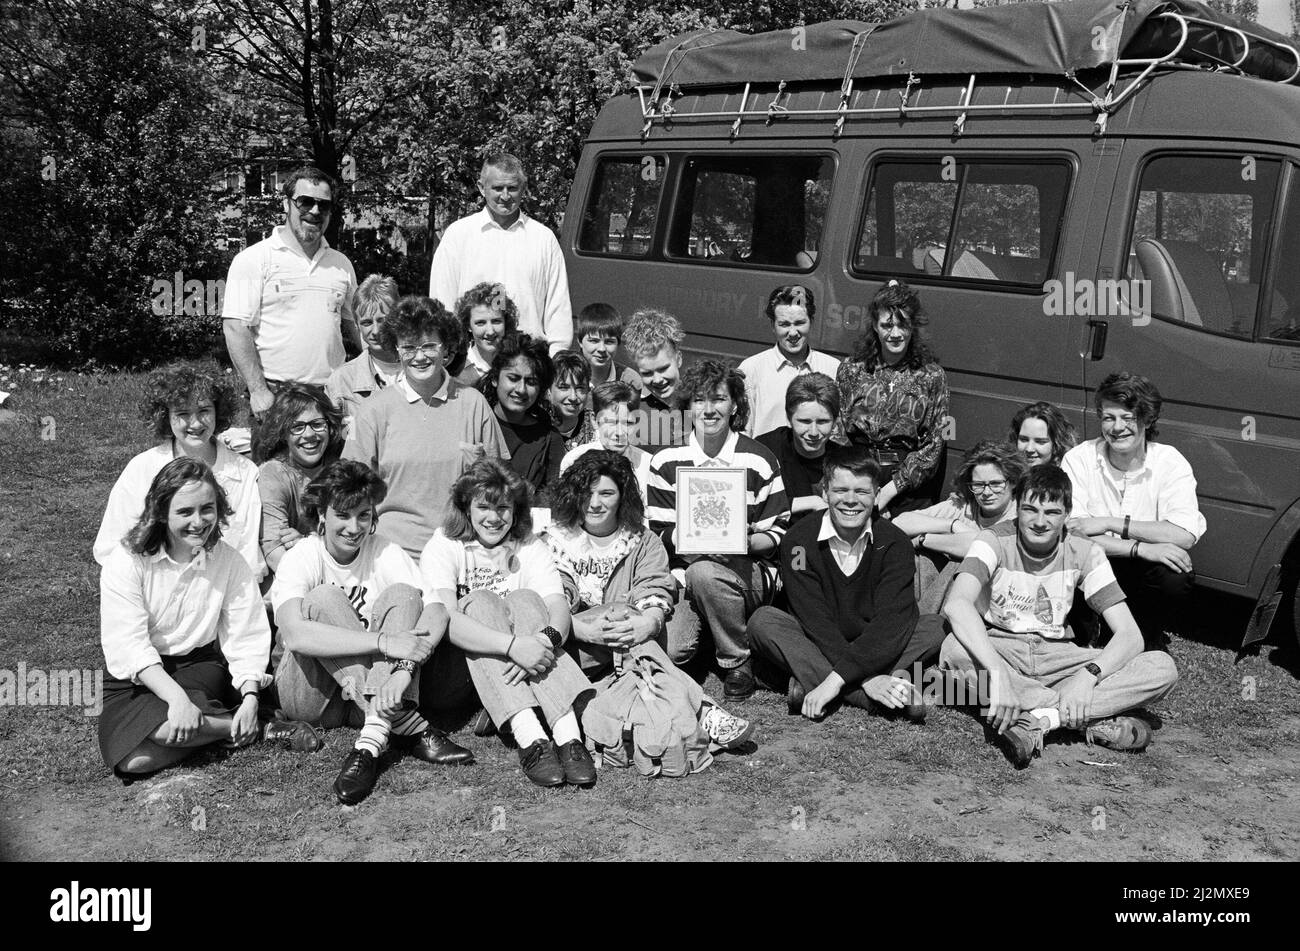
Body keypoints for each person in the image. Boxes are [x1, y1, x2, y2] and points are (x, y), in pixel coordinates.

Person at [940, 465, 1180, 768]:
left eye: (1051, 512)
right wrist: (998, 673)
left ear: (1067, 514)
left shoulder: (1084, 550)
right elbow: (957, 604)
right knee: (953, 649)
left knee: (1160, 666)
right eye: (1030, 509)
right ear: (1016, 507)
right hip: (1002, 648)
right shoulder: (992, 540)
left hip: (1058, 655)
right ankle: (1078, 716)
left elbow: (1130, 635)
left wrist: (1086, 676)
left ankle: (1040, 718)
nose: (1039, 522)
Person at [98, 458, 317, 779]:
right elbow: (128, 645)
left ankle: (213, 723)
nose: (198, 522)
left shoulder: (228, 561)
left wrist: (251, 695)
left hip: (199, 668)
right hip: (137, 677)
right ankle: (246, 729)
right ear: (161, 512)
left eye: (207, 509)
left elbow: (246, 633)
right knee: (134, 762)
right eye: (185, 512)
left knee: (163, 734)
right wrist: (176, 700)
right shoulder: (128, 561)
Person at [271, 461, 473, 805]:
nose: (354, 527)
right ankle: (407, 722)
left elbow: (437, 611)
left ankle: (371, 739)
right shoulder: (304, 555)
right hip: (312, 697)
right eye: (343, 516)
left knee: (405, 595)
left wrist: (405, 668)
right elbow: (295, 636)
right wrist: (383, 641)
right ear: (322, 515)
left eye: (364, 515)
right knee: (323, 598)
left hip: (361, 697)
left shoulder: (383, 550)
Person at [542, 451, 756, 755]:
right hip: (574, 639)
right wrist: (583, 629)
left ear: (622, 496)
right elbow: (552, 598)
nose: (594, 503)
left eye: (606, 493)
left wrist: (648, 621)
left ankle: (663, 703)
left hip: (629, 637)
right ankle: (703, 711)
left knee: (630, 618)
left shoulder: (642, 540)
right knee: (622, 612)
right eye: (586, 492)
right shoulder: (553, 540)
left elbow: (652, 585)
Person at [420, 461, 597, 788]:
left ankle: (568, 737)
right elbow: (444, 620)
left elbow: (557, 606)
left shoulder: (530, 545)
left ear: (516, 511)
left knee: (528, 599)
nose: (493, 517)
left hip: (524, 661)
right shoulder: (444, 544)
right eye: (483, 506)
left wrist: (544, 641)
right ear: (466, 508)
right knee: (480, 601)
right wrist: (514, 647)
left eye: (503, 507)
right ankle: (530, 737)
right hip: (457, 670)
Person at [747, 447, 945, 722]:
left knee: (935, 627)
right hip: (817, 639)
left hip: (876, 641)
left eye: (862, 492)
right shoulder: (798, 542)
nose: (850, 500)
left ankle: (813, 683)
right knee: (763, 621)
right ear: (825, 492)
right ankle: (872, 696)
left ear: (876, 494)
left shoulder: (895, 543)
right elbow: (813, 619)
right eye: (841, 490)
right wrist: (867, 679)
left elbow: (892, 621)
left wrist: (835, 679)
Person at [647, 360, 790, 700]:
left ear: (735, 405)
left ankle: (736, 661)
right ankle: (712, 628)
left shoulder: (759, 459)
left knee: (705, 573)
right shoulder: (666, 461)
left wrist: (743, 540)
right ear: (688, 406)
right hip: (687, 573)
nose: (708, 409)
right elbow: (659, 535)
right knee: (673, 651)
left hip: (747, 571)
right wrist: (688, 538)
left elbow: (779, 534)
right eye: (699, 399)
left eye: (719, 399)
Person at [343, 295, 509, 558]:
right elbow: (349, 488)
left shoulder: (473, 404)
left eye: (429, 346)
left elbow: (498, 487)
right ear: (396, 349)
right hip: (392, 555)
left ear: (446, 349)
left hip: (462, 553)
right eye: (408, 347)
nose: (419, 357)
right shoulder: (373, 410)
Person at [1061, 372, 1205, 644]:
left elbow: (1184, 533)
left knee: (1175, 575)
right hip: (1091, 560)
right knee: (1070, 556)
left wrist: (1111, 522)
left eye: (1128, 418)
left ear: (1148, 419)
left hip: (1140, 569)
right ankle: (1084, 632)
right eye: (1108, 418)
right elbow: (1074, 535)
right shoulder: (1079, 458)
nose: (1117, 428)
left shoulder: (1170, 461)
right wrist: (1141, 547)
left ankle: (1144, 635)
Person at [95, 363, 263, 579]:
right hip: (154, 588)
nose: (195, 423)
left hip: (222, 589)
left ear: (217, 411)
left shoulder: (245, 472)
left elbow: (248, 554)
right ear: (166, 416)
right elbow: (112, 548)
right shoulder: (142, 469)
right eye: (183, 413)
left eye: (204, 410)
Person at [222, 166, 361, 415]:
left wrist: (385, 372)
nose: (315, 211)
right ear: (287, 204)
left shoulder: (342, 264)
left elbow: (359, 325)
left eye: (324, 205)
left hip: (333, 396)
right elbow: (235, 327)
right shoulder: (254, 259)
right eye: (305, 202)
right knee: (275, 457)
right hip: (277, 397)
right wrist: (258, 390)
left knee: (337, 456)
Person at [429, 153, 572, 354]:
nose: (505, 196)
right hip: (471, 362)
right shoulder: (458, 235)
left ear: (524, 188)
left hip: (528, 361)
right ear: (481, 187)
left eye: (512, 188)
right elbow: (442, 303)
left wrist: (556, 356)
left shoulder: (543, 239)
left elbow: (558, 307)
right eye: (497, 188)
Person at [835, 280, 950, 514]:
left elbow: (936, 441)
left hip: (908, 487)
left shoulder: (932, 376)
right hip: (858, 474)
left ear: (913, 327)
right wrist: (861, 480)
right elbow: (838, 429)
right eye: (887, 325)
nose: (895, 333)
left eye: (903, 324)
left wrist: (889, 490)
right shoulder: (851, 369)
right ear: (875, 327)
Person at [894, 441, 1028, 613]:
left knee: (961, 565)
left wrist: (924, 539)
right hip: (945, 599)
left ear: (1013, 482)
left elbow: (982, 546)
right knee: (916, 558)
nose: (986, 492)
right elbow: (900, 523)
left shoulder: (1020, 515)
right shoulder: (964, 506)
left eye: (995, 484)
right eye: (978, 485)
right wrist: (952, 524)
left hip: (995, 604)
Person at [252, 383, 344, 574]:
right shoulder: (273, 474)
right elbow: (275, 552)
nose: (309, 435)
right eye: (297, 427)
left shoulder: (340, 466)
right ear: (283, 433)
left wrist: (306, 543)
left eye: (317, 424)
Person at [738, 285, 841, 439]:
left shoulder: (833, 369)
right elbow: (742, 432)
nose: (793, 333)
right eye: (784, 324)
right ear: (772, 325)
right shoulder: (751, 370)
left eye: (799, 323)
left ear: (811, 321)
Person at [478, 333, 566, 503]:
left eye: (531, 382)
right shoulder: (477, 423)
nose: (521, 389)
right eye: (513, 378)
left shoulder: (549, 438)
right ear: (495, 378)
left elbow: (550, 502)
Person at [756, 372, 840, 525]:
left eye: (822, 422)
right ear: (788, 419)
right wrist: (812, 502)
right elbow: (749, 503)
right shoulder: (765, 450)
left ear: (835, 422)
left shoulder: (843, 459)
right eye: (804, 421)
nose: (813, 432)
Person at [560, 381, 653, 511]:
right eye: (611, 422)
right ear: (594, 420)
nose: (620, 432)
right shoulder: (574, 460)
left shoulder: (648, 465)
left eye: (629, 423)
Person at [326, 274, 404, 426]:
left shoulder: (422, 371)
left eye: (383, 320)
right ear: (357, 325)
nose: (376, 330)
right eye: (367, 322)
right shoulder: (342, 382)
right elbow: (339, 442)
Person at [621, 308, 689, 453]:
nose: (657, 379)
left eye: (663, 368)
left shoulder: (701, 403)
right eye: (647, 373)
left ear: (679, 359)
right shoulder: (631, 410)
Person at [447, 282, 519, 386]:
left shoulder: (517, 362)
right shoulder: (455, 368)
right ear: (468, 326)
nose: (490, 331)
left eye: (496, 321)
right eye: (480, 323)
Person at [573, 302, 641, 391]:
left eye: (609, 342)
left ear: (618, 343)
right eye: (594, 341)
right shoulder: (565, 376)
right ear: (580, 341)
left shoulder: (630, 381)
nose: (602, 349)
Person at [545, 350, 596, 451]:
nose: (573, 397)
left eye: (580, 388)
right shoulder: (537, 427)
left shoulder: (596, 425)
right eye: (563, 387)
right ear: (548, 389)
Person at [1009, 400, 1077, 467]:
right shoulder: (1005, 473)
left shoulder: (1071, 475)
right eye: (1024, 440)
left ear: (1057, 445)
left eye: (1040, 442)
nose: (1029, 449)